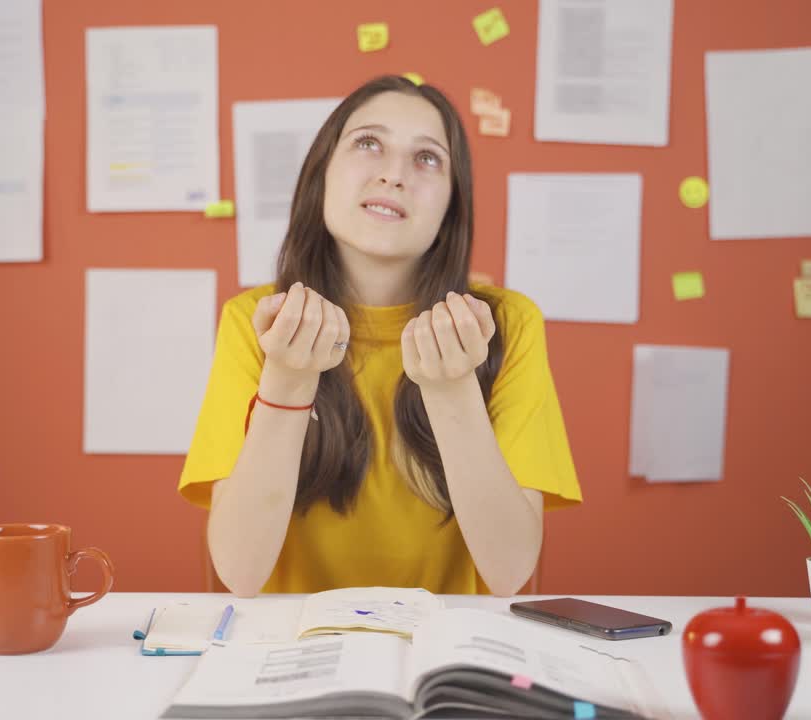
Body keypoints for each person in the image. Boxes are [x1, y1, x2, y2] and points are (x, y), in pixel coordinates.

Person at [179, 75, 580, 598]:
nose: (394, 175)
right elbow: (240, 571)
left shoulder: (508, 325)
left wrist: (452, 388)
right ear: (321, 173)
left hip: (448, 656)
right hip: (290, 657)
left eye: (428, 158)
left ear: (451, 206)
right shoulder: (255, 322)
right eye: (369, 143)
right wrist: (289, 380)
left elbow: (509, 571)